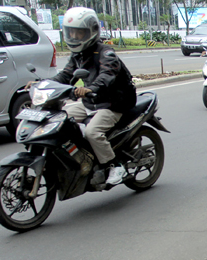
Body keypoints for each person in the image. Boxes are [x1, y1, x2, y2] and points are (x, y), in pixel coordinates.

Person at [39, 7, 136, 186]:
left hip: (112, 103)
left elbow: (107, 75)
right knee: (59, 120)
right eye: (71, 32)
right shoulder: (78, 55)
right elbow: (65, 76)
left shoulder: (106, 53)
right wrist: (43, 84)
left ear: (91, 32)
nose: (75, 37)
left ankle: (115, 165)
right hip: (91, 102)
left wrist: (90, 88)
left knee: (92, 132)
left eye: (80, 33)